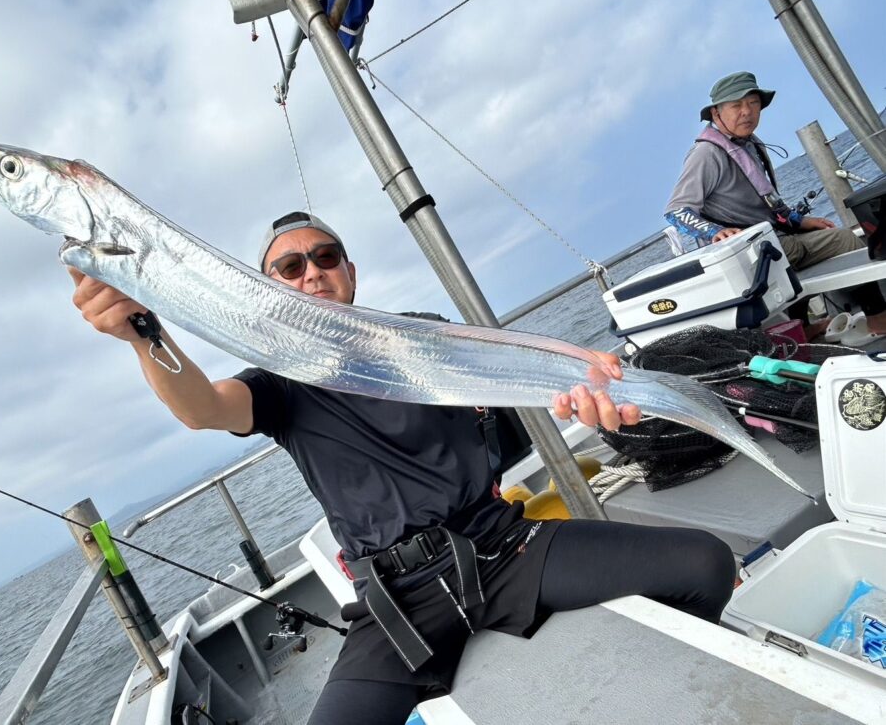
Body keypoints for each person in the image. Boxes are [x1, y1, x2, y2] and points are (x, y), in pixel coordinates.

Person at [70, 211, 736, 725]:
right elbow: (204, 408)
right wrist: (146, 336)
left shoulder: (420, 336)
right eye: (290, 267)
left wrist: (589, 396)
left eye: (324, 258)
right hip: (396, 603)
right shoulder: (279, 383)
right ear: (269, 292)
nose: (311, 273)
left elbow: (522, 374)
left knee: (705, 563)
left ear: (350, 271)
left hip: (505, 549)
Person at [665, 71, 886, 336]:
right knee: (845, 241)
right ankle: (878, 319)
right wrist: (715, 233)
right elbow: (676, 210)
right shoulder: (706, 153)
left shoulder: (751, 144)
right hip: (752, 255)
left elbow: (769, 202)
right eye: (736, 105)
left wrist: (799, 221)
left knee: (819, 235)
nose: (747, 112)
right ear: (716, 113)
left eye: (754, 103)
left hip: (776, 241)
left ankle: (803, 329)